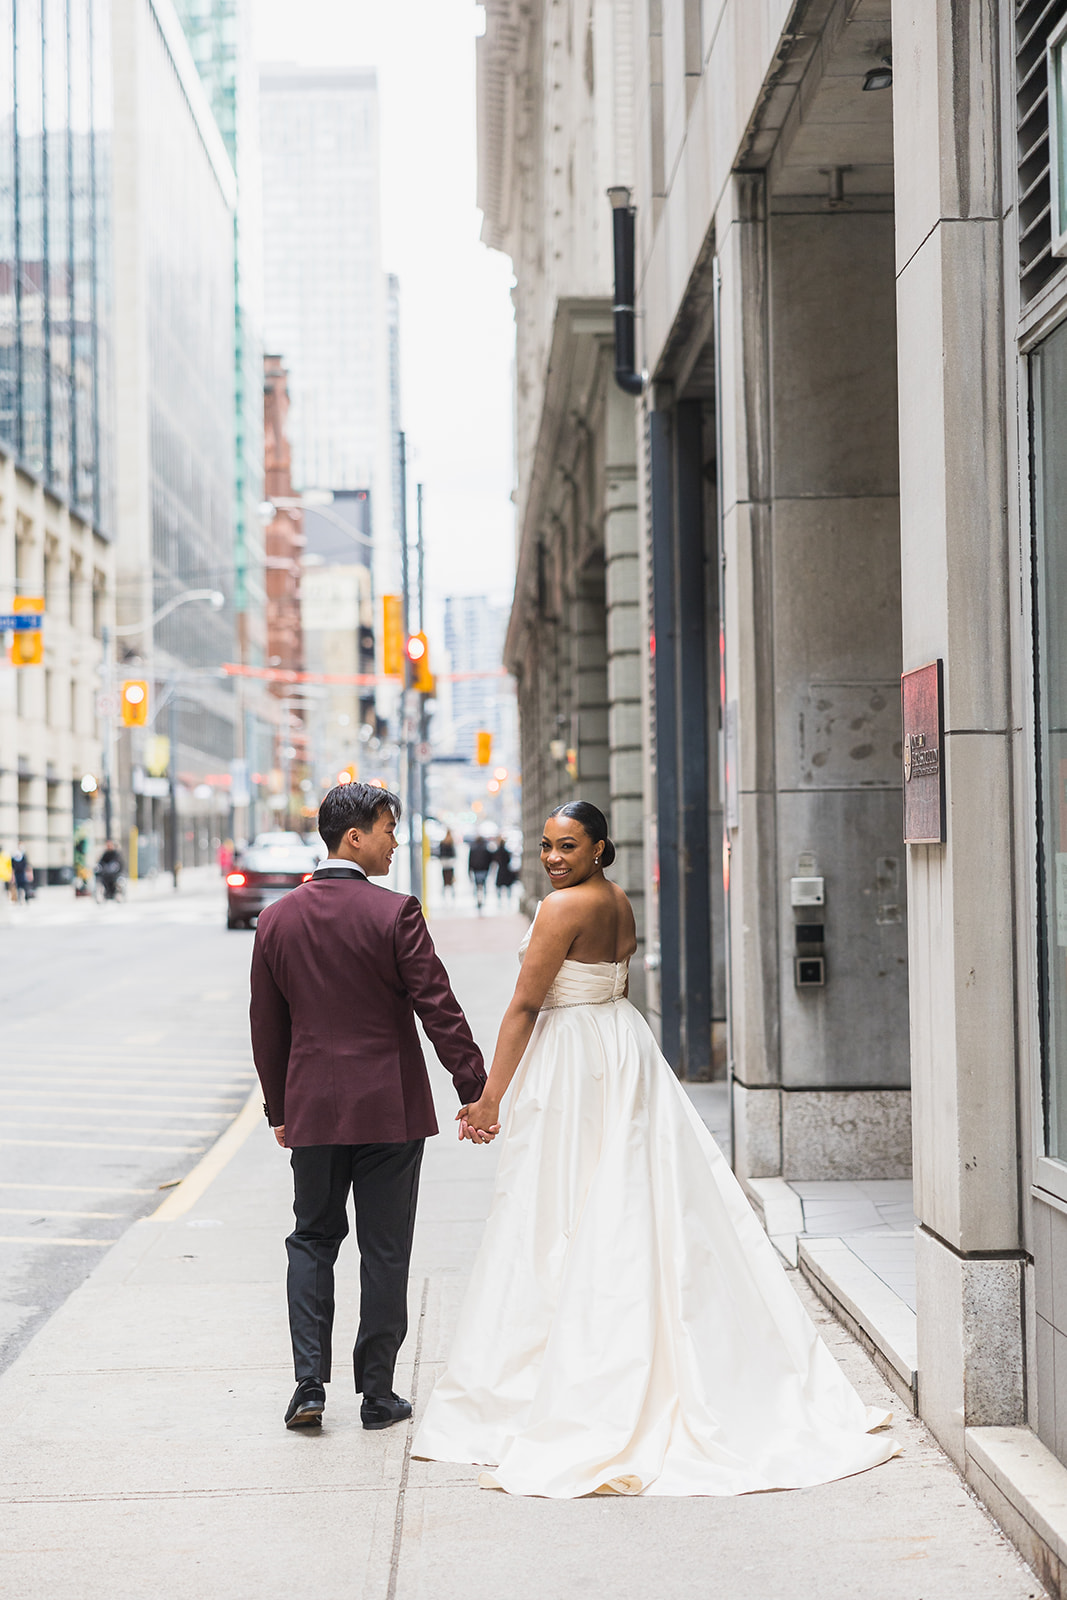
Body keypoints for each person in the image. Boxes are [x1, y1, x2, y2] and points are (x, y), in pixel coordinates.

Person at [413, 799, 898, 1499]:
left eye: (569, 846)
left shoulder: (560, 910)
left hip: (576, 1057)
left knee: (558, 1209)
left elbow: (524, 1006)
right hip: (622, 1045)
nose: (553, 858)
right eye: (547, 846)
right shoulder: (618, 902)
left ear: (601, 848)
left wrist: (489, 1097)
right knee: (629, 1199)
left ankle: (563, 1380)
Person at [249, 781, 486, 1434]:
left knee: (311, 1239)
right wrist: (474, 1087)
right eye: (387, 829)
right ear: (353, 836)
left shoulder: (277, 918)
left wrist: (279, 1108)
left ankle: (307, 1385)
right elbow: (437, 1005)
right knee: (385, 1249)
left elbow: (266, 1026)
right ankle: (377, 1395)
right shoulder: (395, 913)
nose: (394, 842)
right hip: (389, 1109)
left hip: (314, 1110)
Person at [467, 835, 493, 911]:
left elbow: (470, 861)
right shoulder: (486, 849)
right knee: (483, 885)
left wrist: (469, 870)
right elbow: (489, 860)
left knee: (477, 886)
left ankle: (478, 899)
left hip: (476, 870)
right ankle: (482, 899)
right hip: (483, 870)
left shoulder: (473, 849)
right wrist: (488, 869)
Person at [492, 836, 516, 900]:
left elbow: (495, 860)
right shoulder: (506, 852)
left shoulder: (497, 851)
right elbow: (508, 860)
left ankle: (499, 900)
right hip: (506, 870)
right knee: (507, 886)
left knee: (499, 886)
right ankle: (508, 899)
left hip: (501, 870)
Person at [439, 828, 456, 896]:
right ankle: (452, 895)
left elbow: (441, 853)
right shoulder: (451, 842)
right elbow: (453, 853)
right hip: (450, 863)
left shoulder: (443, 842)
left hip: (444, 863)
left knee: (444, 880)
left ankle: (444, 894)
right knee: (451, 879)